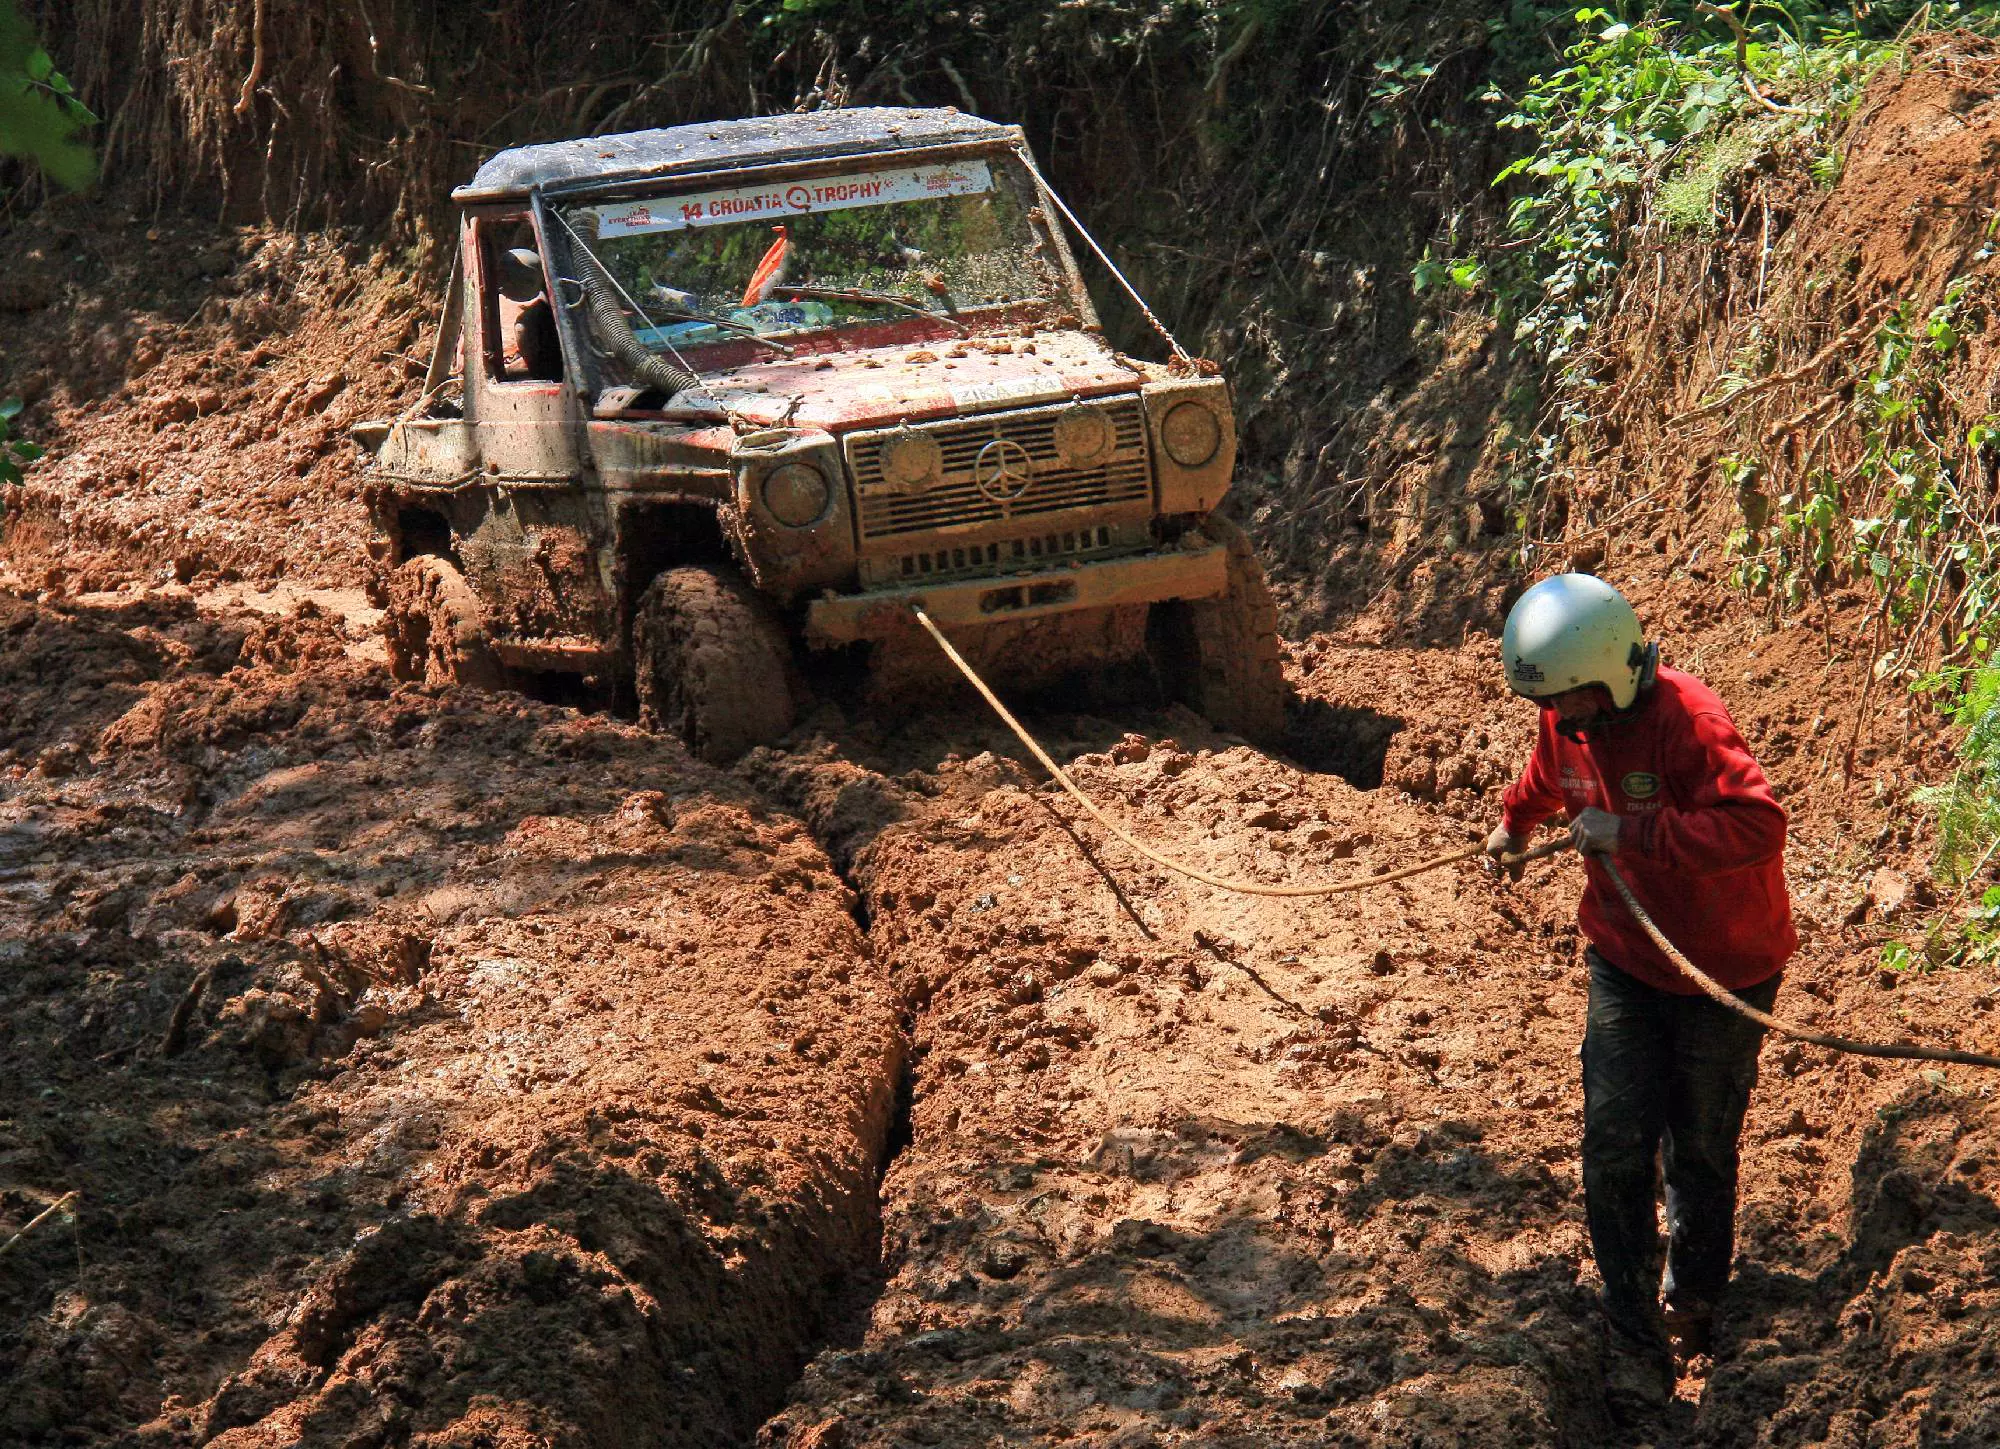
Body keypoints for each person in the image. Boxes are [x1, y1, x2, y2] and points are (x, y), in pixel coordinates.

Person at [1484, 573, 1796, 1421]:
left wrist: (1636, 831)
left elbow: (1759, 822)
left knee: (1699, 1146)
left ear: (1611, 672)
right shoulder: (1566, 717)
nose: (1566, 719)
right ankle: (1632, 1337)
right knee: (1614, 1145)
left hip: (1724, 970)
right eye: (1554, 707)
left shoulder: (1690, 721)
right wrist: (1516, 822)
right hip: (1624, 957)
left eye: (1575, 702)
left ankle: (1693, 1300)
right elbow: (1549, 773)